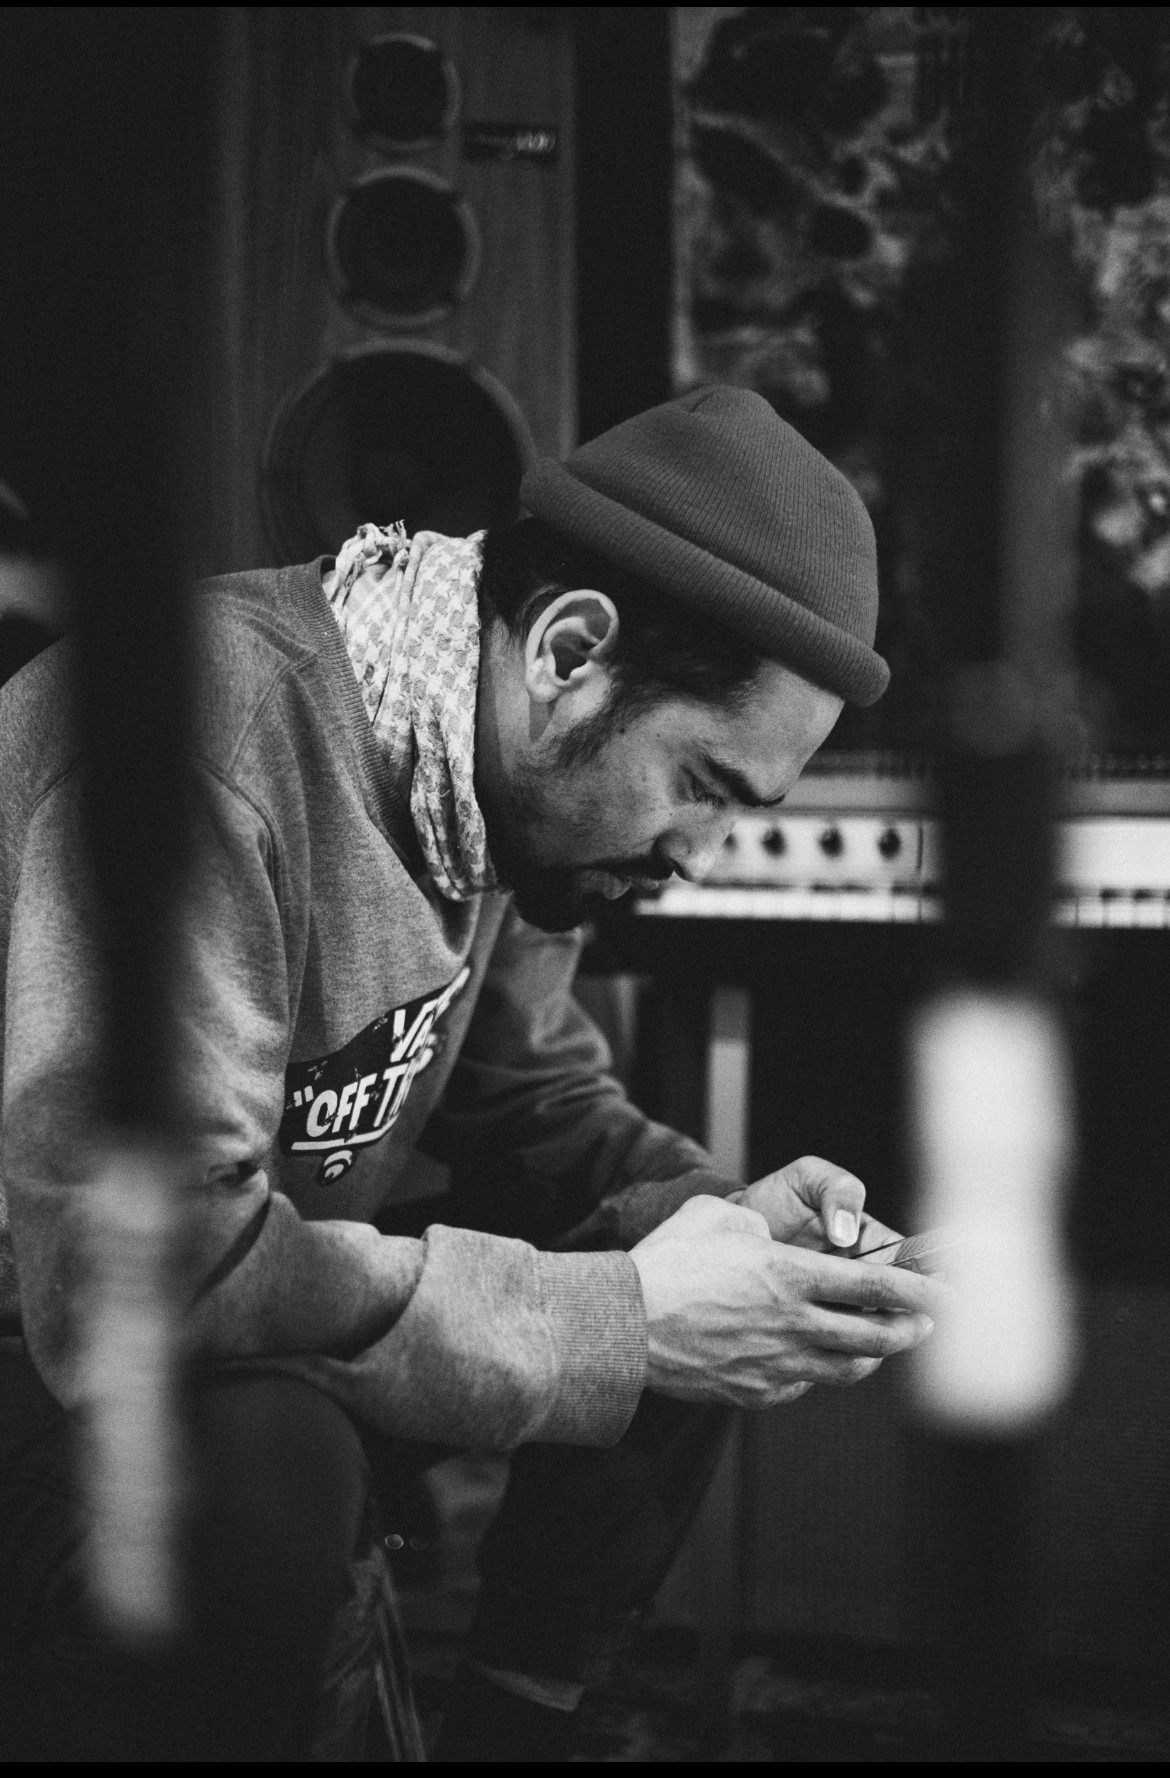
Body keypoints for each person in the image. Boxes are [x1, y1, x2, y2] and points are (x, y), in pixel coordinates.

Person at [0, 387, 944, 1760]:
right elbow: (133, 1282)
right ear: (571, 650)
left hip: (237, 1300)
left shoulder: (488, 786)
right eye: (702, 784)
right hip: (55, 1344)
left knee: (682, 1252)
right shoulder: (208, 743)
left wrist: (736, 1234)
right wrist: (624, 1317)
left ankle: (521, 1725)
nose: (697, 856)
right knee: (273, 1457)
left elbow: (540, 1105)